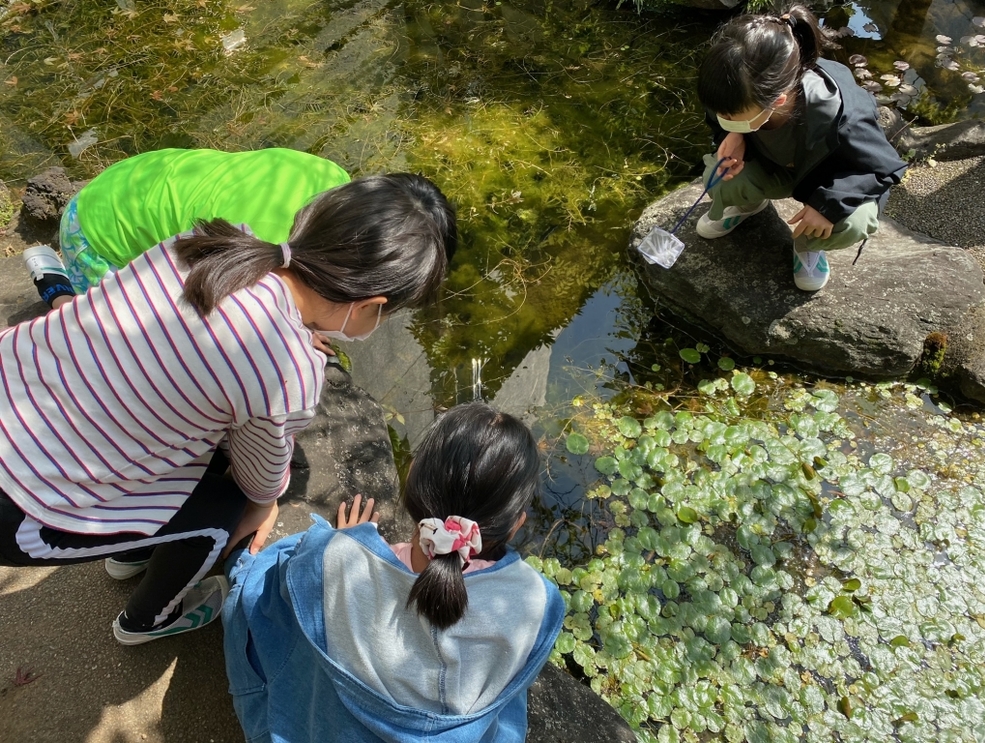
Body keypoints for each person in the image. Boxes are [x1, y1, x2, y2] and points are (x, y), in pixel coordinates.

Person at [0, 173, 455, 645]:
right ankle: (147, 621)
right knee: (226, 509)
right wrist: (266, 504)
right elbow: (260, 472)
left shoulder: (208, 243)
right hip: (25, 510)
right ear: (369, 306)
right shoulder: (287, 371)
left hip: (19, 407)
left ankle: (132, 550)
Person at [222, 402, 565, 743]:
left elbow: (259, 602)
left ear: (413, 471)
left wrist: (344, 543)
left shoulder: (334, 560)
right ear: (516, 524)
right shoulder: (538, 605)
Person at [694, 6, 907, 291]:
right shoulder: (732, 88)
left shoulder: (841, 116)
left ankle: (808, 243)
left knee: (853, 221)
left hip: (826, 180)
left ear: (778, 101)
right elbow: (720, 115)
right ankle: (750, 204)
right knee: (717, 177)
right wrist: (732, 134)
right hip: (773, 165)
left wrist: (827, 205)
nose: (723, 117)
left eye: (731, 116)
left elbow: (883, 169)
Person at [24, 148, 351, 309]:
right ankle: (58, 291)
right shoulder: (263, 246)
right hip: (96, 236)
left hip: (125, 181)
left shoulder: (336, 182)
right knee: (109, 337)